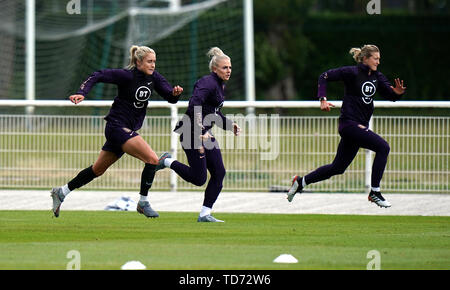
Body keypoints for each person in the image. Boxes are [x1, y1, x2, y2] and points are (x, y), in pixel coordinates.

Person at [51, 45, 183, 218]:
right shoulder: (126, 75)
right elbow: (97, 75)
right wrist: (82, 92)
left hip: (125, 129)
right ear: (138, 62)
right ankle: (143, 202)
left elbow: (170, 98)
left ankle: (61, 192)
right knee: (152, 159)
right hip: (116, 127)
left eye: (154, 62)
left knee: (97, 170)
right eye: (149, 61)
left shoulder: (154, 78)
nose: (153, 65)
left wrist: (175, 93)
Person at [287, 44, 406, 208]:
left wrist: (398, 94)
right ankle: (375, 192)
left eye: (379, 59)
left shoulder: (378, 77)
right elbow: (324, 76)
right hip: (349, 124)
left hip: (358, 128)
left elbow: (390, 96)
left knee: (338, 167)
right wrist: (322, 99)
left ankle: (300, 182)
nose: (378, 62)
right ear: (365, 59)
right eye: (375, 58)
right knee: (383, 147)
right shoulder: (352, 72)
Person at [156, 47, 241, 222]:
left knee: (219, 172)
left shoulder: (219, 85)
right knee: (199, 178)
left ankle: (204, 214)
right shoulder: (207, 82)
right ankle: (166, 161)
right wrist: (201, 130)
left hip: (203, 133)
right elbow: (195, 102)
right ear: (215, 69)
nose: (229, 71)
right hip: (190, 132)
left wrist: (229, 125)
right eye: (225, 68)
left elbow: (213, 113)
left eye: (230, 67)